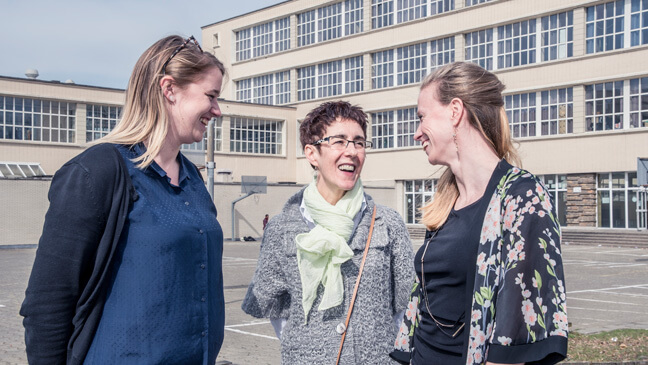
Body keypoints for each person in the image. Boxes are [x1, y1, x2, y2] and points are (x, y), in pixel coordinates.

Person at [20, 35, 226, 364]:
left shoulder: (193, 179)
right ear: (169, 89)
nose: (217, 110)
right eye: (211, 96)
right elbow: (48, 302)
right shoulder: (99, 170)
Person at [391, 62, 568, 365]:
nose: (416, 133)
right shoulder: (446, 201)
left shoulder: (522, 196)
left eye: (421, 117)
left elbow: (515, 333)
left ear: (455, 111)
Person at [241, 101, 415, 364]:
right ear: (312, 154)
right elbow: (279, 313)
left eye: (358, 142)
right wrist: (312, 350)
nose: (352, 151)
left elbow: (406, 307)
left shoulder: (386, 222)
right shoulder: (282, 227)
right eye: (340, 141)